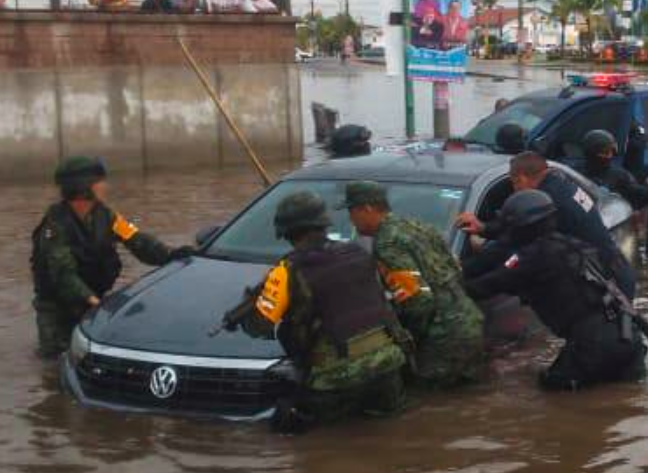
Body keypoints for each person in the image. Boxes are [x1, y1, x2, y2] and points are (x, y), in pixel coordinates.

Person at [236, 191, 409, 433]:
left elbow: (260, 326)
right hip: (388, 365)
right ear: (324, 223)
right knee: (388, 436)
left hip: (336, 377)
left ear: (285, 232)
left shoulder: (287, 270)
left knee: (289, 431)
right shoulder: (359, 252)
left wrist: (246, 310)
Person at [464, 190, 648, 391]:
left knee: (554, 397)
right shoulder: (573, 244)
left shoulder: (533, 258)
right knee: (627, 400)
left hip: (594, 344)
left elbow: (486, 285)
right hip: (628, 336)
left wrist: (444, 283)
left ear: (520, 226)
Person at [30, 156, 193, 358]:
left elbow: (137, 241)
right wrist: (96, 303)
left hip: (92, 301)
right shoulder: (55, 225)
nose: (105, 186)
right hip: (58, 311)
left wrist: (171, 254)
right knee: (55, 364)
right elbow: (63, 275)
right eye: (100, 181)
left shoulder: (107, 216)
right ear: (83, 186)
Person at [342, 181, 485, 388]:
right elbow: (455, 271)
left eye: (351, 212)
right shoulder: (418, 226)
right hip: (469, 322)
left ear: (367, 208)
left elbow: (419, 300)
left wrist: (410, 339)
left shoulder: (387, 243)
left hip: (442, 339)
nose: (351, 220)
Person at [457, 151, 637, 299]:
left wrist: (461, 273)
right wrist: (484, 228)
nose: (514, 191)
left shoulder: (548, 201)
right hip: (614, 273)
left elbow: (511, 242)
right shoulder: (558, 184)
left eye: (513, 184)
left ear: (521, 179)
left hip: (608, 285)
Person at [580, 130, 648, 211]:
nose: (611, 155)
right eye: (606, 152)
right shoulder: (576, 174)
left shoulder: (619, 175)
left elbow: (635, 190)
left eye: (612, 151)